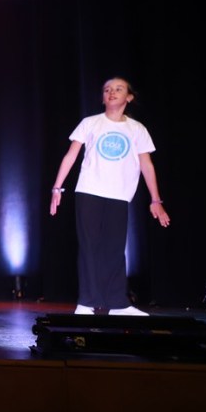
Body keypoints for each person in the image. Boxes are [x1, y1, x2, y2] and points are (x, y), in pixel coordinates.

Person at [50, 77, 170, 316]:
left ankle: (117, 303)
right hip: (89, 191)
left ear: (129, 97)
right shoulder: (90, 123)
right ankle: (86, 302)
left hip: (119, 194)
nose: (112, 92)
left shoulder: (137, 129)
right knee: (89, 246)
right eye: (107, 90)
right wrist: (57, 188)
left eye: (118, 89)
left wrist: (155, 200)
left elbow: (147, 165)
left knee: (115, 249)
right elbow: (70, 156)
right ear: (103, 97)